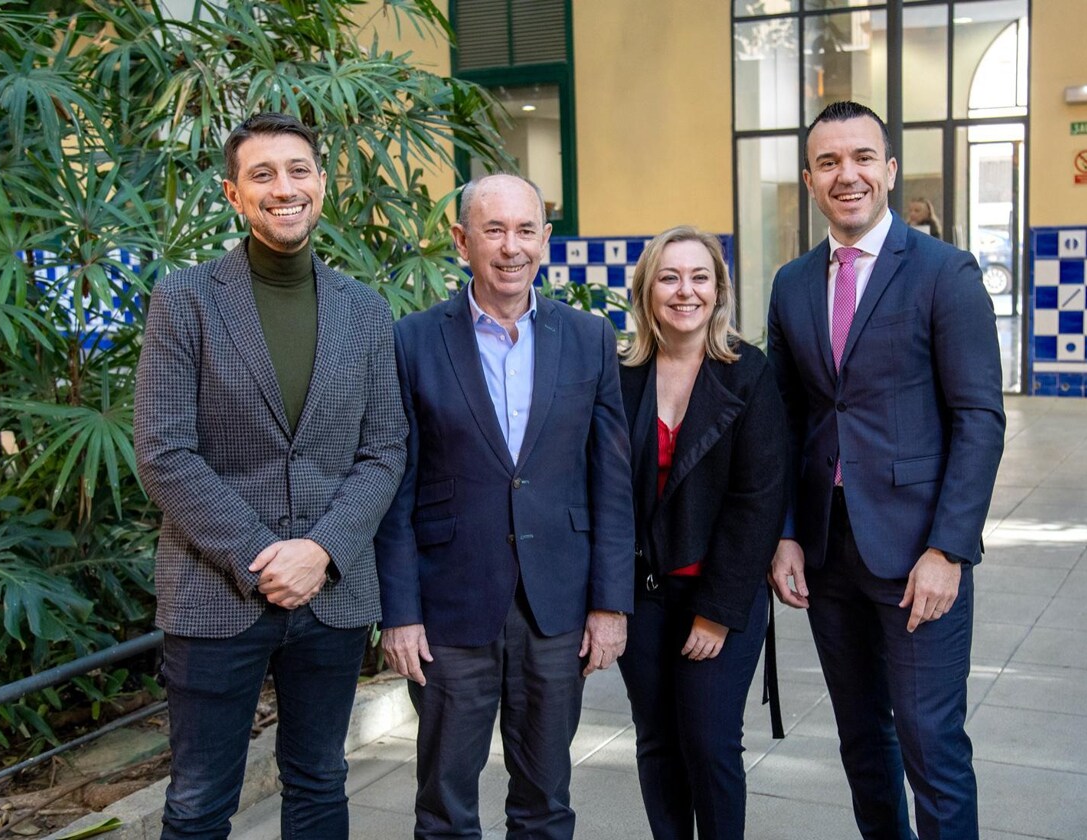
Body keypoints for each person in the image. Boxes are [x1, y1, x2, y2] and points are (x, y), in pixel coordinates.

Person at [134, 112, 408, 839]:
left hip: (331, 596)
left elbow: (384, 450)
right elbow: (165, 452)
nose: (282, 188)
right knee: (198, 803)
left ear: (322, 183)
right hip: (214, 592)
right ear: (233, 194)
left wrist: (319, 552)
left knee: (320, 783)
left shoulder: (366, 311)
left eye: (297, 170)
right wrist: (263, 560)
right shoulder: (185, 300)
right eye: (262, 175)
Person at [766, 100, 1005, 840]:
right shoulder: (792, 283)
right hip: (830, 552)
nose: (849, 174)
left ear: (890, 171)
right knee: (862, 744)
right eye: (830, 162)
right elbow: (785, 422)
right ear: (810, 179)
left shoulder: (944, 272)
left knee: (931, 743)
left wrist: (949, 550)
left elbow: (979, 420)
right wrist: (785, 535)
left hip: (916, 554)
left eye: (863, 158)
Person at [375, 172, 635, 839]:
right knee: (443, 805)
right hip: (449, 609)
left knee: (546, 802)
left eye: (525, 230)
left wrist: (611, 604)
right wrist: (399, 615)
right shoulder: (412, 342)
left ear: (545, 241)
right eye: (494, 230)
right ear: (462, 240)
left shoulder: (589, 338)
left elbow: (611, 482)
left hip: (556, 608)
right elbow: (394, 487)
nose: (511, 246)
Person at [617, 226, 787, 839]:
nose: (684, 291)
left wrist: (716, 612)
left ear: (719, 292)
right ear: (646, 291)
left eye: (699, 278)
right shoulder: (620, 375)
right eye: (669, 277)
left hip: (719, 593)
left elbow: (758, 501)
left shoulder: (748, 374)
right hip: (642, 596)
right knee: (657, 741)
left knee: (710, 742)